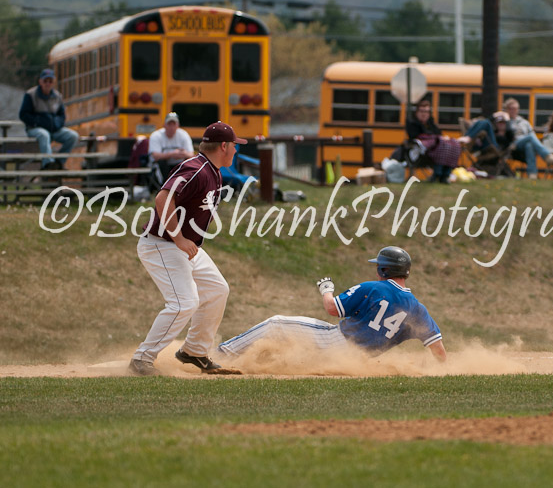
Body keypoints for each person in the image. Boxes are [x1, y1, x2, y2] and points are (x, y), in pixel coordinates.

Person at [129, 121, 247, 376]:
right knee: (184, 302)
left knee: (217, 290)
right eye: (235, 146)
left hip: (182, 247)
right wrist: (180, 237)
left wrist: (183, 240)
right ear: (224, 146)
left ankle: (194, 352)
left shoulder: (212, 170)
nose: (236, 151)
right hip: (162, 244)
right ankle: (142, 359)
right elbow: (163, 198)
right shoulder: (195, 168)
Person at [216, 246, 447, 363]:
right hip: (359, 359)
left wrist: (326, 289)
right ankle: (255, 362)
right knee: (293, 343)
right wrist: (443, 370)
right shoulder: (418, 308)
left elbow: (332, 308)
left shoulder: (374, 288)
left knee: (276, 324)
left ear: (383, 270)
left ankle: (221, 354)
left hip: (336, 341)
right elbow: (437, 347)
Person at [18, 68, 79, 170]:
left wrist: (57, 124)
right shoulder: (31, 95)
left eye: (50, 81)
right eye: (45, 81)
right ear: (40, 81)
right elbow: (23, 114)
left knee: (73, 136)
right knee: (44, 135)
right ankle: (48, 164)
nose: (47, 83)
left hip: (54, 129)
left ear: (53, 82)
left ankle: (59, 162)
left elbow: (62, 115)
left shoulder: (57, 96)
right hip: (36, 128)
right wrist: (38, 122)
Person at [501, 100, 553, 178]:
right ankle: (547, 156)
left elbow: (532, 134)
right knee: (530, 137)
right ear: (506, 109)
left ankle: (532, 174)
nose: (513, 111)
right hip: (513, 145)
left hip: (525, 146)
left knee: (529, 145)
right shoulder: (503, 121)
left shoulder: (524, 122)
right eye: (511, 108)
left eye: (515, 108)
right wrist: (506, 119)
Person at [405, 100, 461, 183]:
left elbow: (438, 133)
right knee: (443, 145)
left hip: (436, 145)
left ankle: (446, 174)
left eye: (427, 111)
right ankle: (437, 174)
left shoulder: (430, 122)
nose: (424, 114)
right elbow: (415, 136)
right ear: (417, 112)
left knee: (454, 144)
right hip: (422, 149)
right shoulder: (412, 123)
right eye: (422, 111)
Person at [149, 112, 194, 185]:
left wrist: (183, 154)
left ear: (178, 125)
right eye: (169, 124)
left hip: (178, 164)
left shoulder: (183, 135)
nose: (172, 127)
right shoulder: (156, 136)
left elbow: (191, 154)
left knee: (188, 164)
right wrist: (172, 154)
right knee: (161, 163)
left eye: (174, 124)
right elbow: (155, 156)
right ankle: (164, 187)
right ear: (164, 125)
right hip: (162, 166)